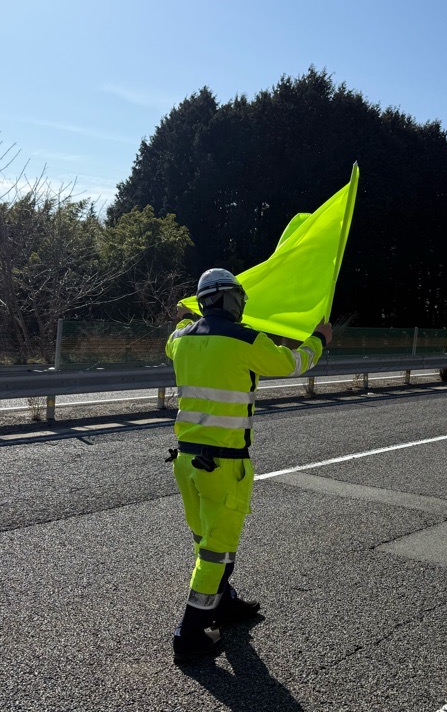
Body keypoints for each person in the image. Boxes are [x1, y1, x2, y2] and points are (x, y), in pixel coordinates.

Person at [165, 267, 332, 664]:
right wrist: (319, 340)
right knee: (216, 552)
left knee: (206, 541)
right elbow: (293, 363)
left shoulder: (180, 340)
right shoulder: (246, 339)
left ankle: (223, 604)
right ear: (231, 300)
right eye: (239, 298)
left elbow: (176, 333)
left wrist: (185, 318)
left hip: (186, 462)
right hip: (223, 466)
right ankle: (189, 634)